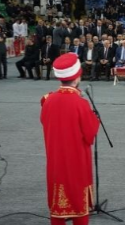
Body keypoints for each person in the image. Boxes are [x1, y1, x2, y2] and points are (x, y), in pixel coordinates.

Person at [41, 53, 100, 225]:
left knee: (57, 201)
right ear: (78, 76)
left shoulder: (48, 100)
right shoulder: (80, 104)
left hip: (55, 160)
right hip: (76, 162)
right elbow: (90, 135)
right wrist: (95, 119)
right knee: (78, 202)